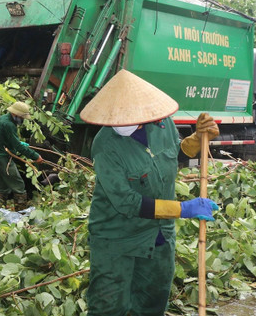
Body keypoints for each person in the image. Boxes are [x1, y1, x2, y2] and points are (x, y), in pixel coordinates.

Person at [80, 69, 220, 316]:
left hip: (159, 236)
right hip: (117, 238)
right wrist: (183, 209)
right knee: (109, 307)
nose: (122, 122)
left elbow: (175, 154)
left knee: (152, 303)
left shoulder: (162, 124)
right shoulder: (105, 146)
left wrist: (198, 138)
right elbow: (128, 203)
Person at [0, 101, 43, 207]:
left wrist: (19, 143)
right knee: (18, 185)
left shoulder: (3, 118)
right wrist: (35, 156)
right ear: (15, 114)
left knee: (3, 187)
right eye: (22, 117)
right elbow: (18, 146)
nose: (22, 120)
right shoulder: (9, 124)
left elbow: (5, 138)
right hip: (2, 158)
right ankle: (21, 212)